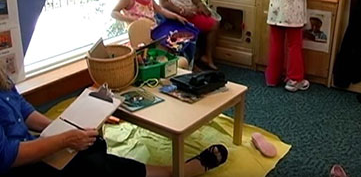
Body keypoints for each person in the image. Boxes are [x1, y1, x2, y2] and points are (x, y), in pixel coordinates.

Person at [0, 67, 228, 176]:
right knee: (92, 164)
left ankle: (165, 172)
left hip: (29, 144)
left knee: (92, 144)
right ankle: (175, 172)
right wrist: (64, 138)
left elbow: (24, 109)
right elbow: (7, 156)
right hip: (16, 167)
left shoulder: (3, 77)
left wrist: (69, 124)